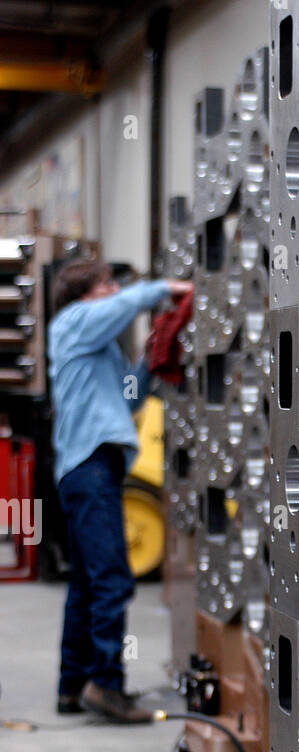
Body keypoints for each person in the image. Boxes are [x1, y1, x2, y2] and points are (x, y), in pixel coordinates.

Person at [48, 261, 192, 722]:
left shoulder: (97, 347)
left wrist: (152, 360)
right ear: (84, 296)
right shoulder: (71, 324)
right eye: (106, 285)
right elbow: (127, 303)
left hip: (90, 466)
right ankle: (107, 686)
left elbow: (126, 395)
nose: (114, 291)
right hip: (89, 466)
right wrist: (166, 288)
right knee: (113, 577)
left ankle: (73, 687)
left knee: (88, 583)